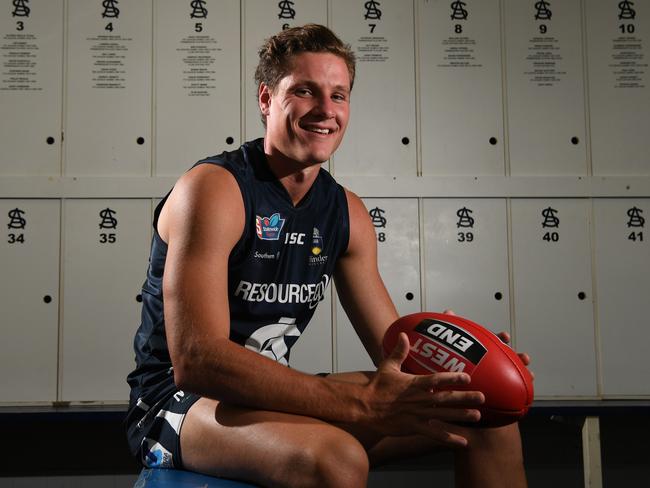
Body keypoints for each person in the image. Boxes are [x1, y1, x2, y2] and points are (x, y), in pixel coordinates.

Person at [126, 24, 530, 488]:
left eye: (339, 96)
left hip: (263, 398)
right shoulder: (215, 189)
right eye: (305, 91)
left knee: (481, 413)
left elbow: (395, 352)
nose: (325, 110)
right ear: (265, 99)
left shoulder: (346, 213)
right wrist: (361, 405)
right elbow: (198, 359)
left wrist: (468, 362)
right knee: (336, 460)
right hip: (179, 404)